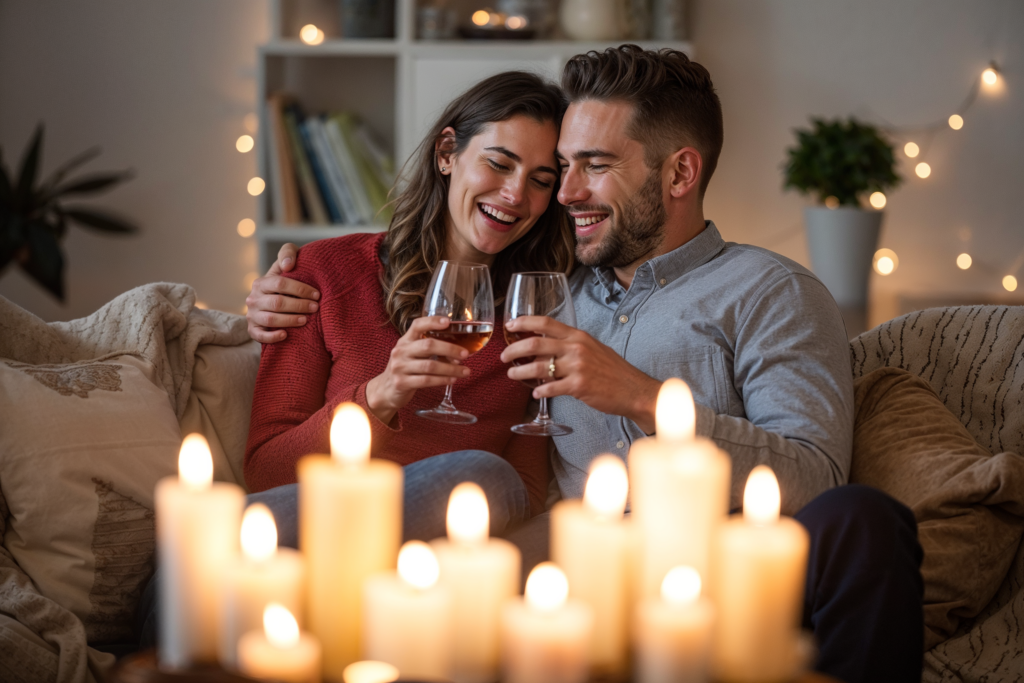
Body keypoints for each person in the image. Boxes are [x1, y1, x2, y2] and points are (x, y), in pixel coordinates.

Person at [247, 47, 924, 683]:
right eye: (560, 168)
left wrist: (643, 397)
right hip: (592, 590)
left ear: (680, 173)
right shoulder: (543, 291)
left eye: (590, 166)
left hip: (734, 575)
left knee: (862, 520)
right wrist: (265, 299)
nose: (561, 193)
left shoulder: (771, 291)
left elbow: (816, 476)